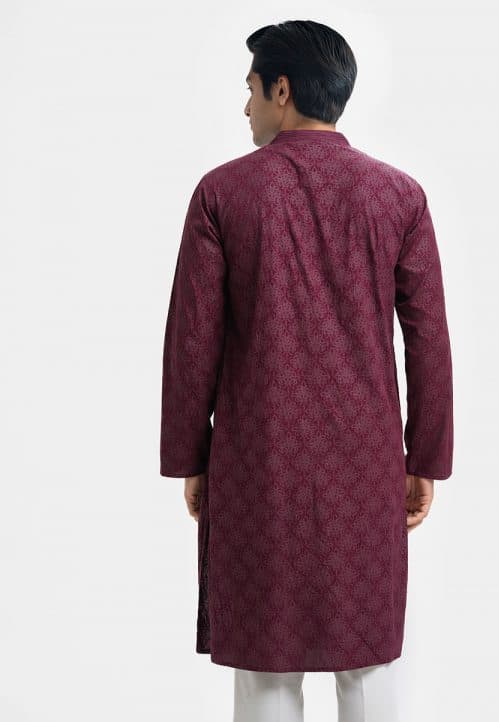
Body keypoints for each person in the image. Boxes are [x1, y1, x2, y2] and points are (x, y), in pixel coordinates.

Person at [160, 19, 453, 722]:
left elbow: (191, 343)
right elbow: (429, 341)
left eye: (251, 90)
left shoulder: (223, 194)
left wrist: (191, 459)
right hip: (367, 466)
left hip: (256, 465)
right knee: (369, 667)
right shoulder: (399, 196)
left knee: (266, 668)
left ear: (282, 90)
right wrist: (425, 460)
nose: (246, 107)